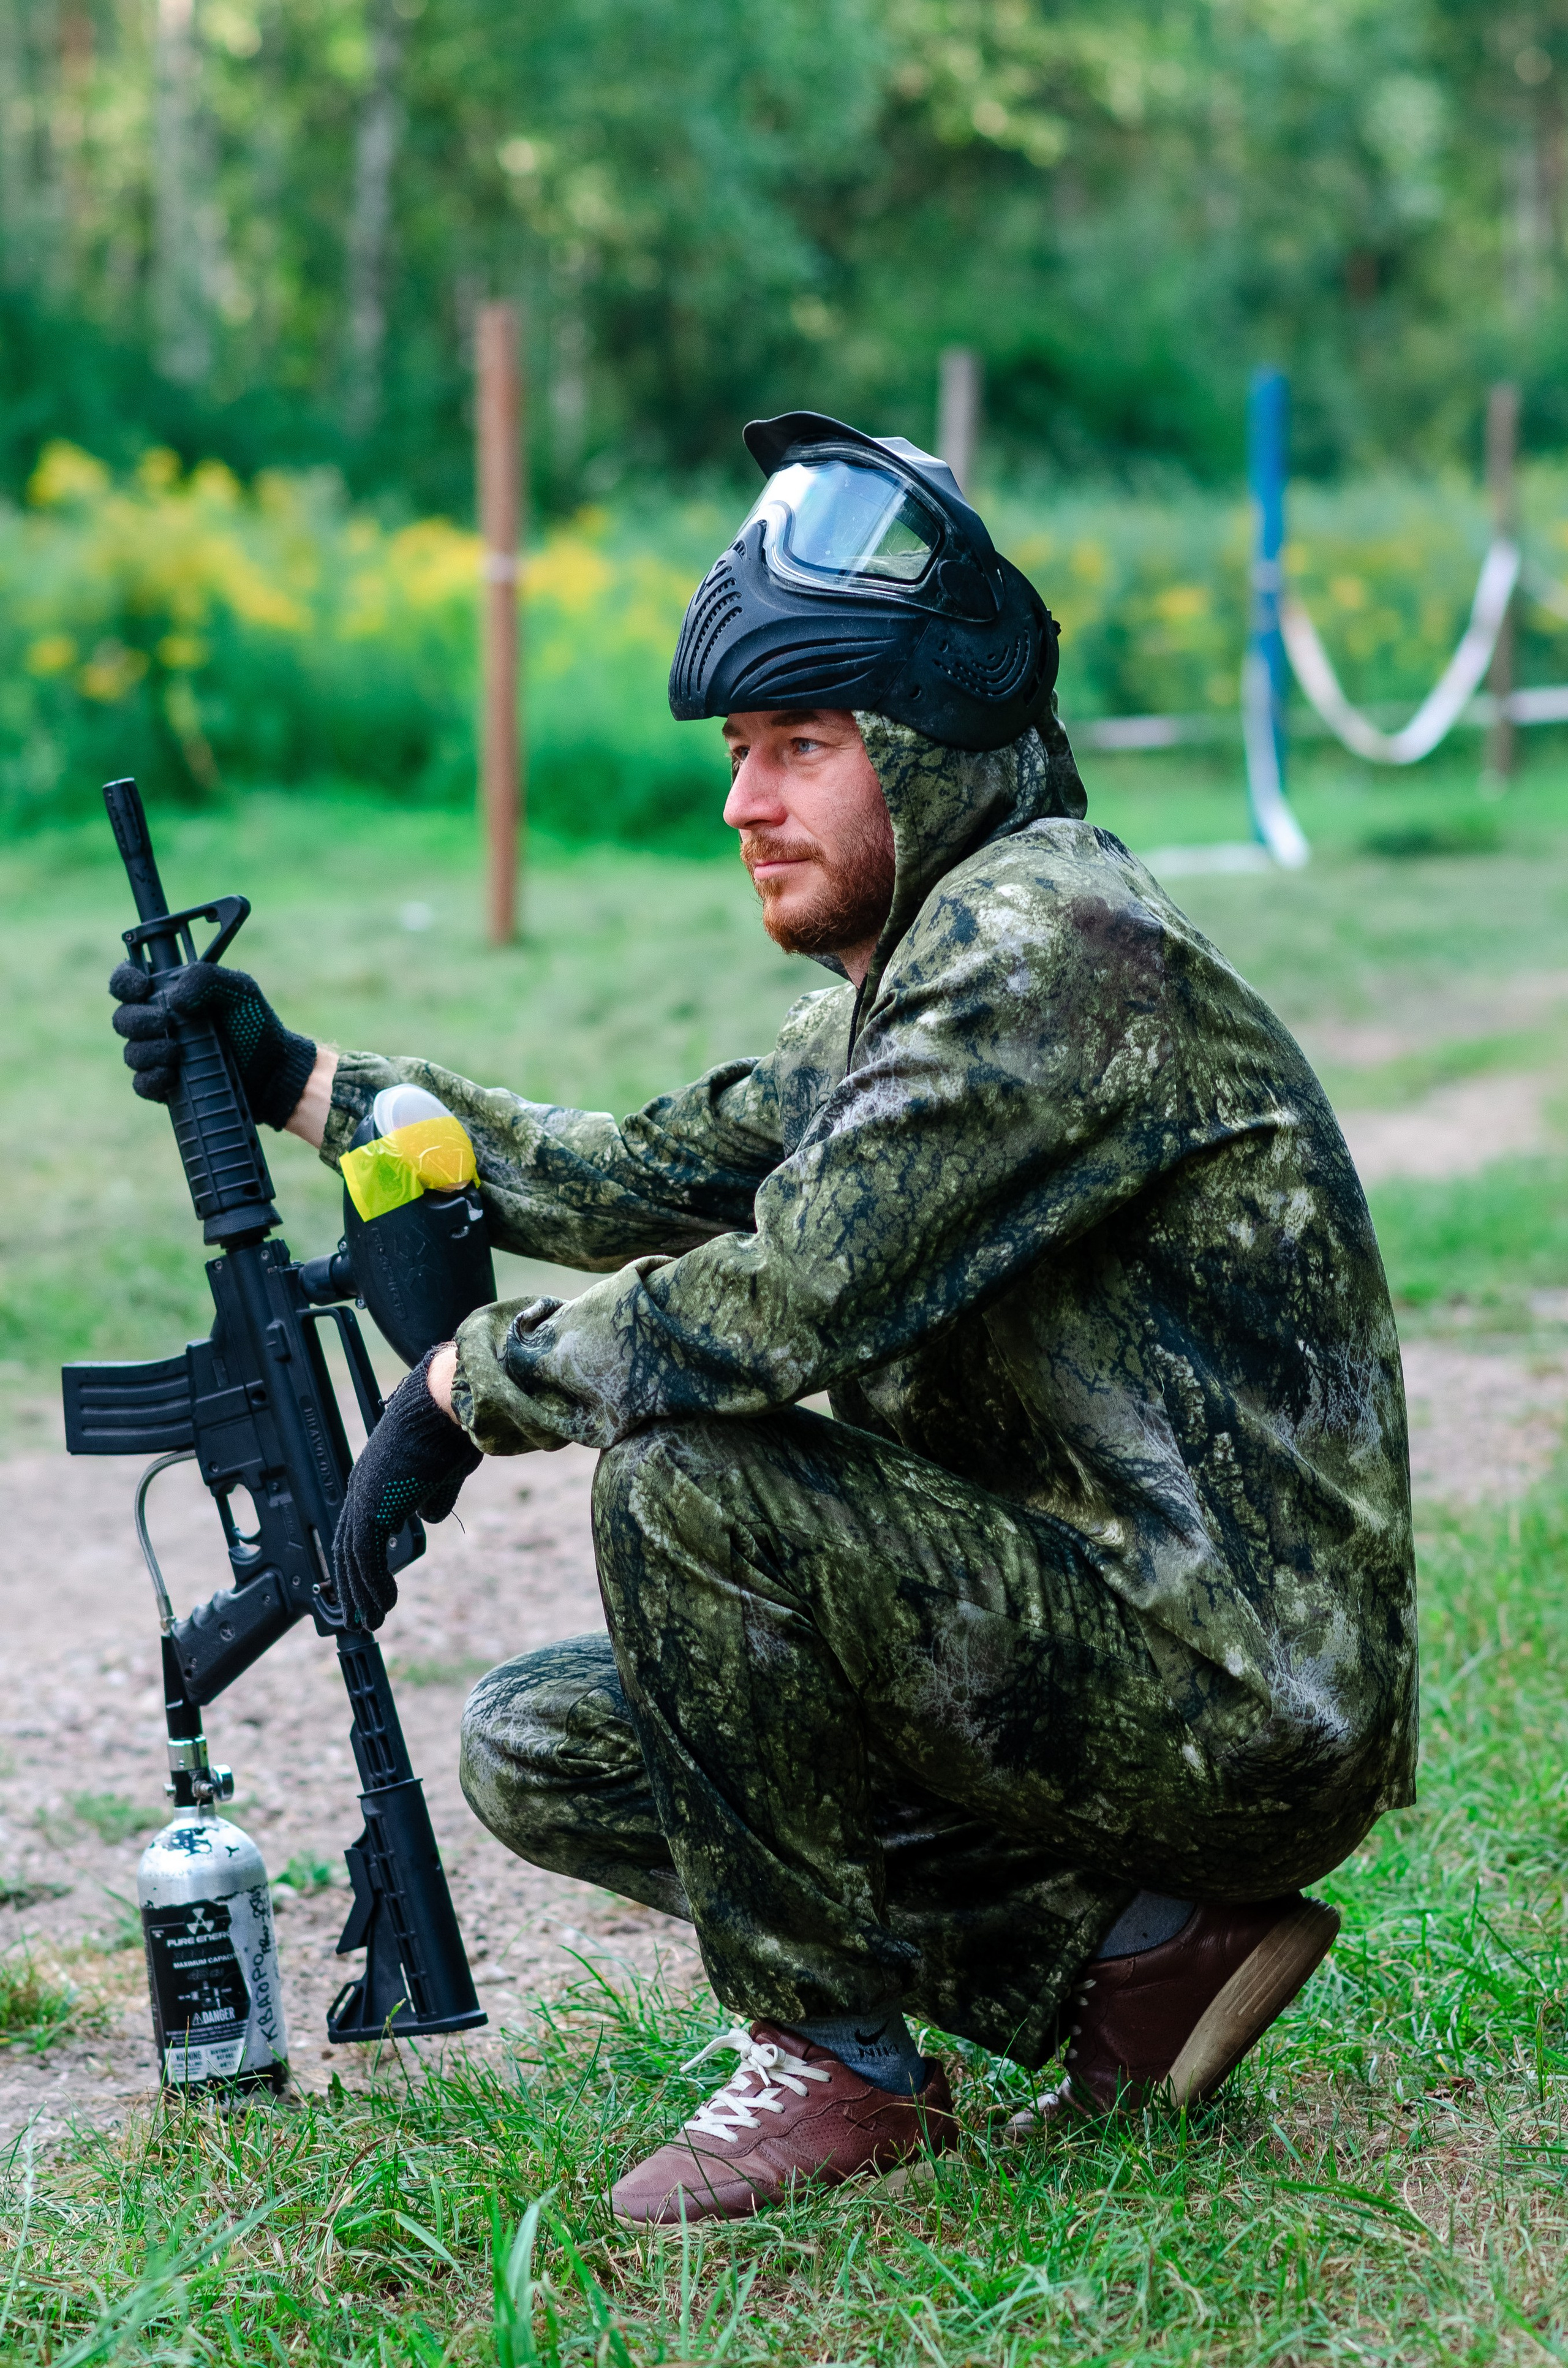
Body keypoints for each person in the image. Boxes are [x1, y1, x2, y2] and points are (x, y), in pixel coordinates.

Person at [110, 412, 1417, 2227]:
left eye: (800, 746)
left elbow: (775, 1301)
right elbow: (640, 1168)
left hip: (1231, 1680)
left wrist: (462, 1381)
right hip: (1099, 1650)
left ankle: (840, 2073)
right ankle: (1133, 1959)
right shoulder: (924, 970)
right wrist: (303, 1078)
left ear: (930, 743)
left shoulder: (1050, 950)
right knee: (547, 1743)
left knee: (689, 1476)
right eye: (741, 750)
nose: (746, 802)